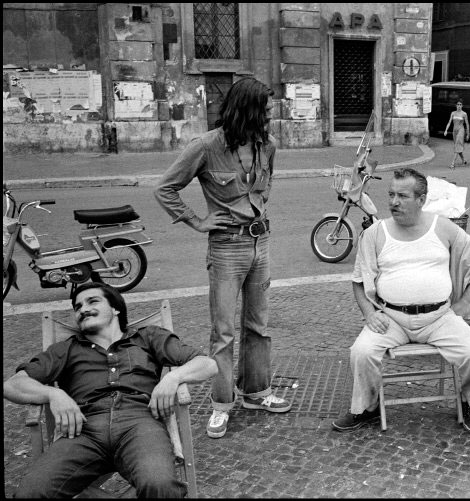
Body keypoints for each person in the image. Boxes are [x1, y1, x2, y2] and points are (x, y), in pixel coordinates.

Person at [154, 77, 291, 440]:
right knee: (224, 332)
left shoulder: (269, 145)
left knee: (259, 326)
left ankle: (257, 393)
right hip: (226, 247)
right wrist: (198, 221)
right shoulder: (206, 146)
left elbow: (267, 185)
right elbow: (165, 188)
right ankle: (221, 404)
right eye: (265, 107)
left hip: (260, 244)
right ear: (247, 109)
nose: (270, 113)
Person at [3, 282, 218, 498]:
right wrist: (53, 394)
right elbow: (13, 384)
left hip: (140, 425)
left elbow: (207, 364)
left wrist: (173, 377)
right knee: (30, 493)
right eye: (77, 307)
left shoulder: (147, 337)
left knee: (160, 485)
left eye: (92, 301)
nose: (83, 309)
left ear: (116, 308)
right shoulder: (67, 348)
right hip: (82, 430)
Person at [332, 168, 470, 434]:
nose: (394, 202)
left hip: (439, 318)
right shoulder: (375, 233)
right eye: (391, 194)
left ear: (421, 199)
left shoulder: (443, 227)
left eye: (402, 196)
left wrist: (465, 303)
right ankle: (369, 408)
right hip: (391, 318)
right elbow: (359, 281)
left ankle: (469, 404)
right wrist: (370, 314)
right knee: (361, 353)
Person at [443, 100, 470, 169]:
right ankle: (464, 160)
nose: (459, 106)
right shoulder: (453, 113)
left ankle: (452, 163)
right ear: (456, 105)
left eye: (460, 104)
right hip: (454, 131)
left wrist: (468, 134)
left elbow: (467, 124)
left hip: (461, 130)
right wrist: (446, 130)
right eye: (458, 104)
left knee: (457, 146)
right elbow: (449, 122)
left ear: (462, 106)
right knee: (457, 146)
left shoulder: (464, 114)